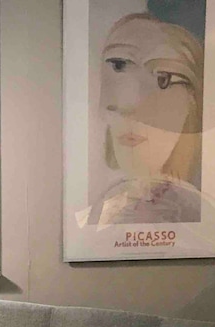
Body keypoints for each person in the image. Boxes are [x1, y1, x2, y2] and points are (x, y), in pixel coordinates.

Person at [87, 9, 206, 226]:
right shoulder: (105, 208)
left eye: (164, 78)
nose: (124, 105)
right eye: (118, 65)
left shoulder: (196, 211)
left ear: (192, 101)